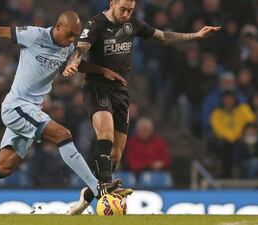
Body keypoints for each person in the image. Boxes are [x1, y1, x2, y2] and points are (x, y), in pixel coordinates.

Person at [0, 11, 127, 215]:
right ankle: (98, 188)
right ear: (58, 27)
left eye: (75, 36)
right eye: (69, 34)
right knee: (63, 134)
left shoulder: (67, 47)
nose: (72, 40)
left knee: (4, 167)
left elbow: (77, 64)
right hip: (16, 106)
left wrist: (102, 71)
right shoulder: (34, 35)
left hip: (31, 110)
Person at [63, 0, 220, 214]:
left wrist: (195, 36)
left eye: (130, 10)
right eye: (123, 9)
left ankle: (88, 195)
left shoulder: (132, 24)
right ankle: (107, 194)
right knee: (105, 136)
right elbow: (81, 48)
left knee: (115, 155)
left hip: (121, 93)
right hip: (97, 88)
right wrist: (73, 62)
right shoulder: (96, 23)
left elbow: (163, 37)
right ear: (112, 4)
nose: (127, 14)